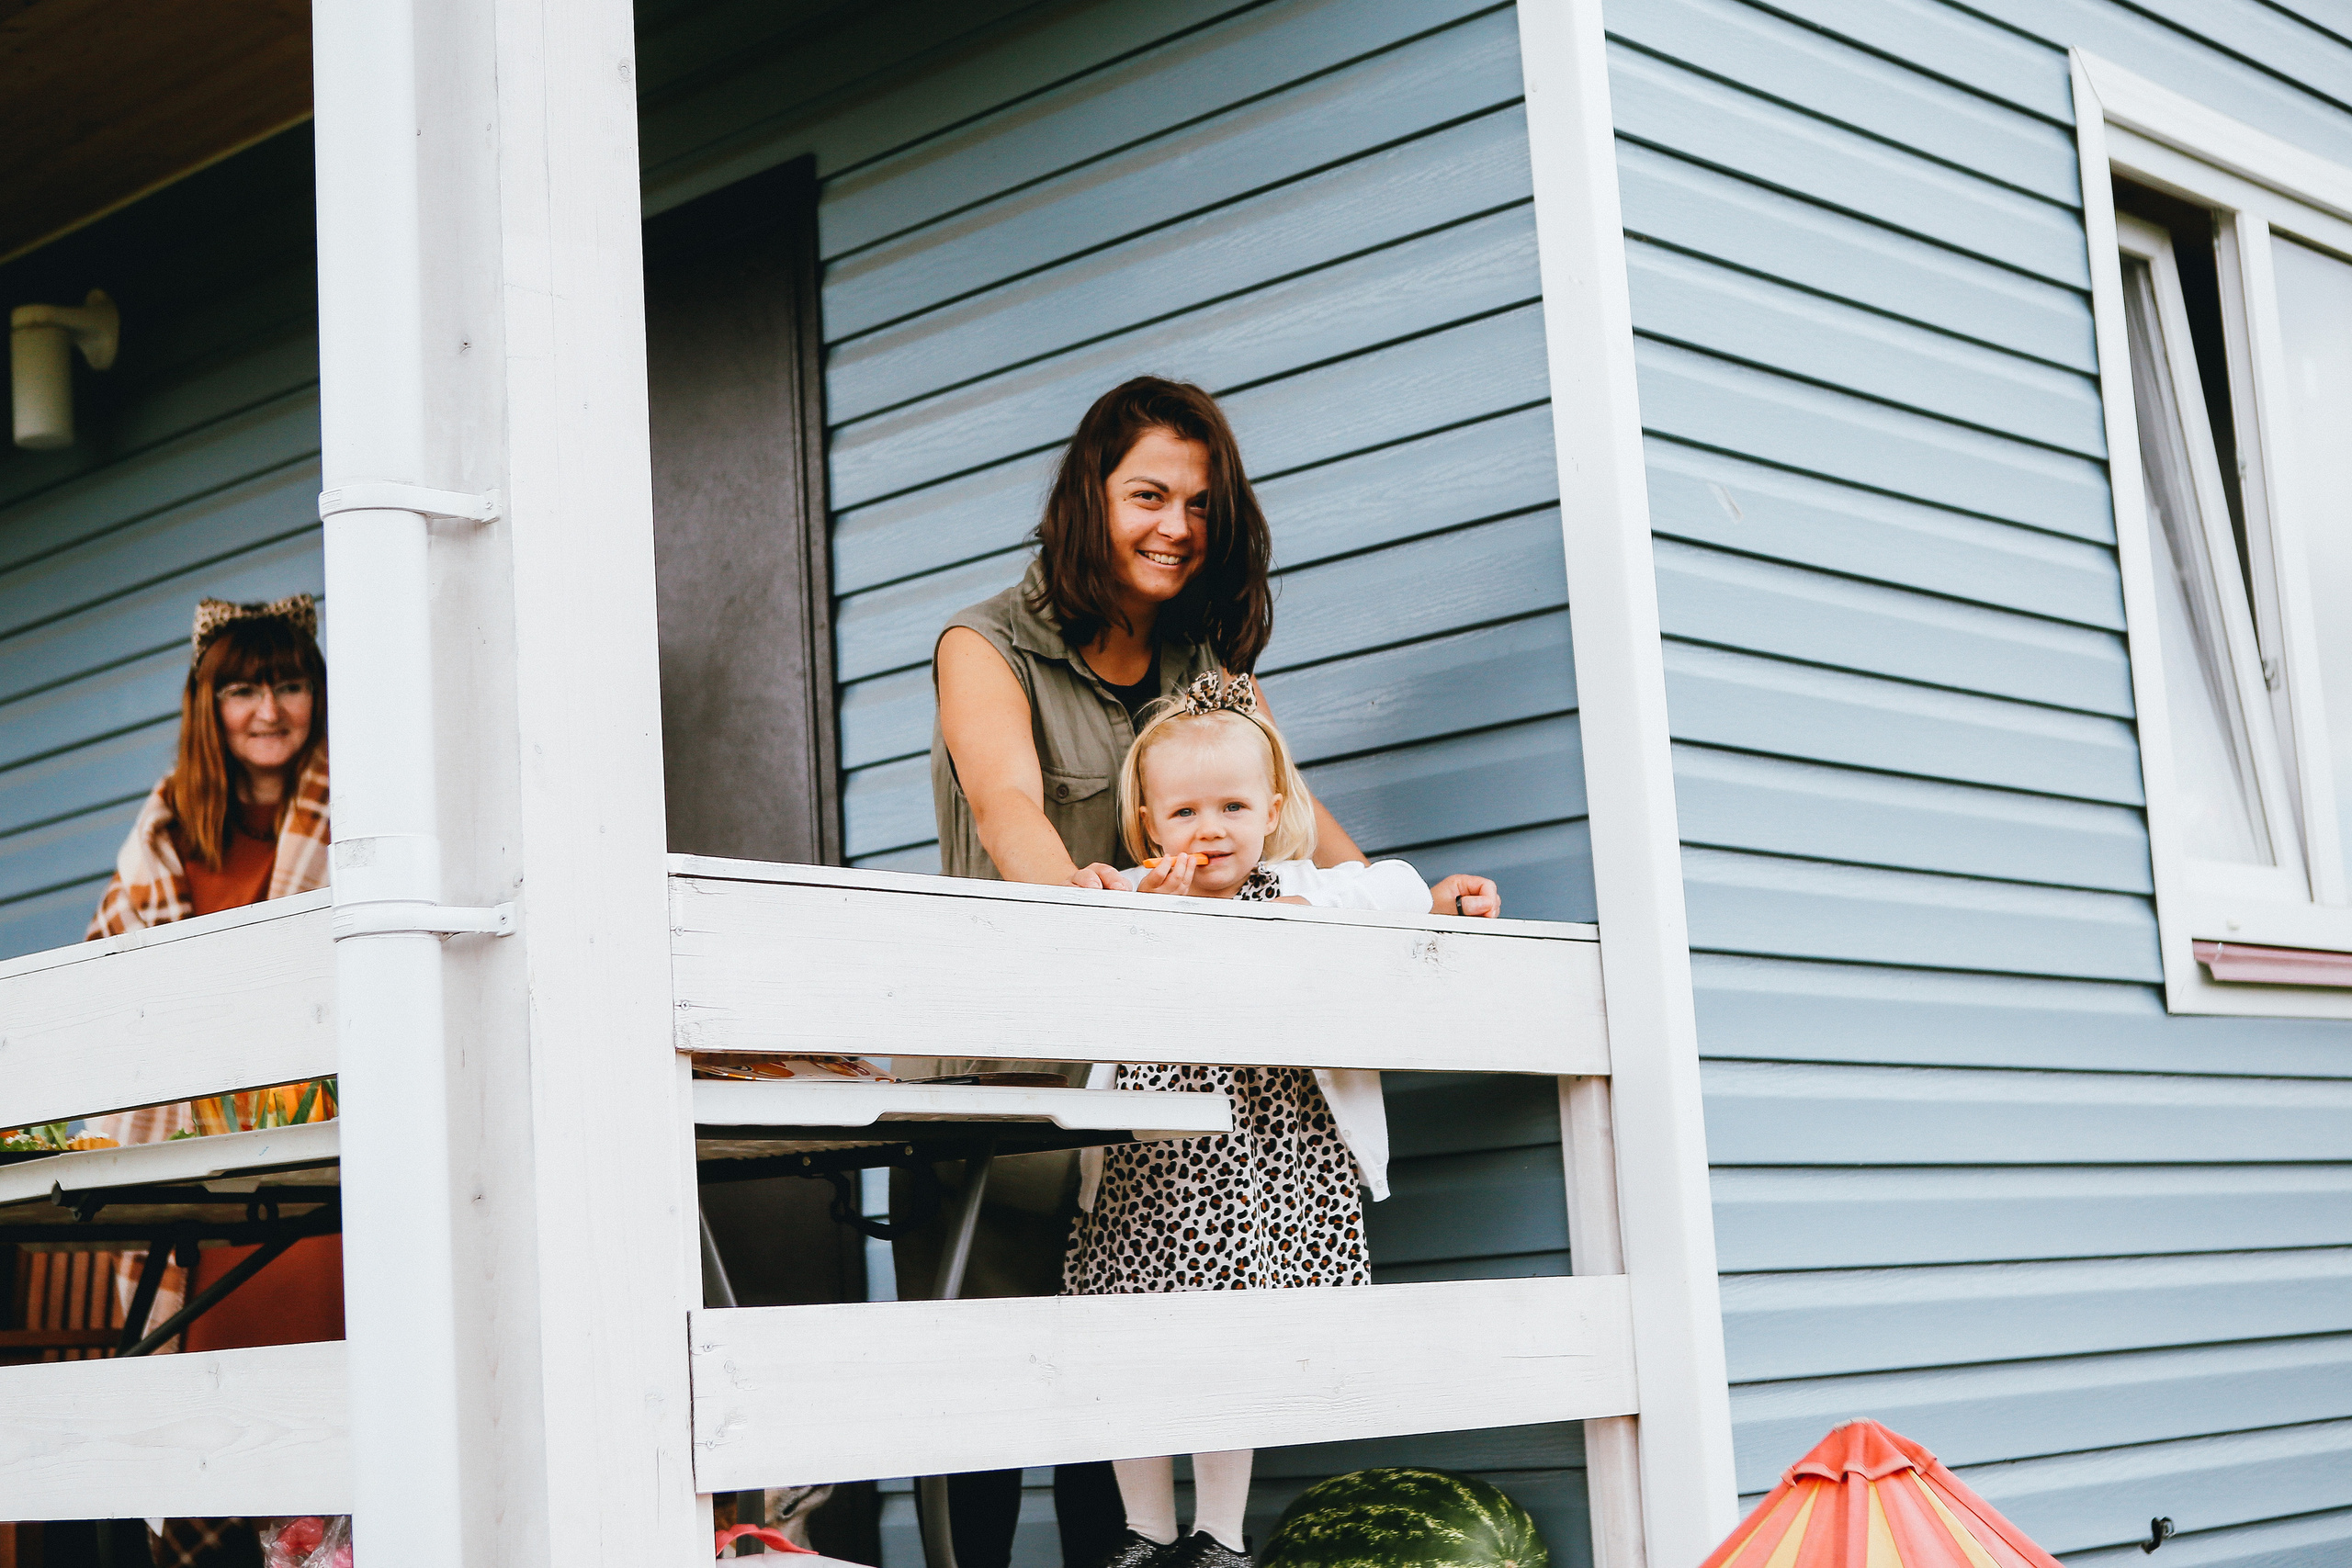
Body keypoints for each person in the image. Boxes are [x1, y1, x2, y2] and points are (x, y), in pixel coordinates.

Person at [923, 378, 1497, 1568]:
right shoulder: (986, 645)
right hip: (1010, 1078)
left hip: (1156, 1105)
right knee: (985, 1408)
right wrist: (1084, 895)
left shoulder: (1209, 669)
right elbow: (1012, 810)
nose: (1177, 525)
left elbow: (1297, 827)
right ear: (1089, 495)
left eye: (1198, 501)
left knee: (1117, 1404)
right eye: (1148, 494)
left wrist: (1415, 899)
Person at [1063, 673, 1442, 1568]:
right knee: (1134, 1338)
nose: (1210, 829)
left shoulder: (1298, 884)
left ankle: (1218, 1537)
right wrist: (1121, 908)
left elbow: (1403, 887)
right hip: (1154, 1159)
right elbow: (1079, 941)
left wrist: (1307, 912)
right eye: (1185, 811)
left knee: (1232, 1344)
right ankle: (1142, 1531)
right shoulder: (1137, 894)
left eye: (1233, 805)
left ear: (1274, 810)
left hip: (1267, 1161)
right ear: (1151, 824)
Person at [85, 594, 338, 1568]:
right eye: (242, 688)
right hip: (207, 1166)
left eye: (287, 683)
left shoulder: (363, 819)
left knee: (333, 1378)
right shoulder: (166, 841)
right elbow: (113, 975)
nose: (268, 709)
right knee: (220, 1405)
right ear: (209, 705)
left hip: (328, 1156)